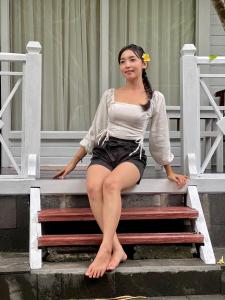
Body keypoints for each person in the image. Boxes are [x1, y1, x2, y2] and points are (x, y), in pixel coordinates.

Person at [54, 44, 188, 279]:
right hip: (105, 150)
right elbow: (95, 131)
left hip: (131, 154)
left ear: (143, 63)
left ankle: (104, 249)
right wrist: (73, 161)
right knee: (94, 186)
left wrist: (168, 170)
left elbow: (159, 136)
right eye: (123, 61)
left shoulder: (155, 98)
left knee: (111, 185)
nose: (127, 65)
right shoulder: (110, 95)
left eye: (132, 59)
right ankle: (117, 248)